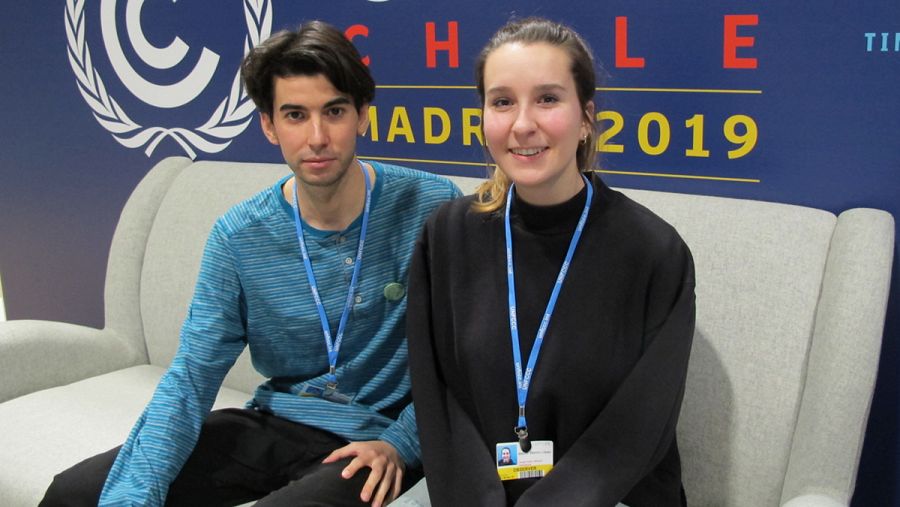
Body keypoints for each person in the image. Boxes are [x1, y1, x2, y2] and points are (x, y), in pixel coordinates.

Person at [41, 20, 461, 507]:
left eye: (335, 111)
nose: (318, 136)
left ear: (362, 115)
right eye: (295, 115)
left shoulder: (430, 206)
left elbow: (460, 359)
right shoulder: (238, 236)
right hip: (276, 420)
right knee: (75, 494)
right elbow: (191, 376)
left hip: (376, 437)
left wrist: (401, 445)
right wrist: (136, 494)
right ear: (268, 124)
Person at [407, 17, 695, 507]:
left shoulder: (654, 251)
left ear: (585, 117)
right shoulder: (447, 236)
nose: (522, 124)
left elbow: (640, 427)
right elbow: (441, 400)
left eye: (547, 98)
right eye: (502, 101)